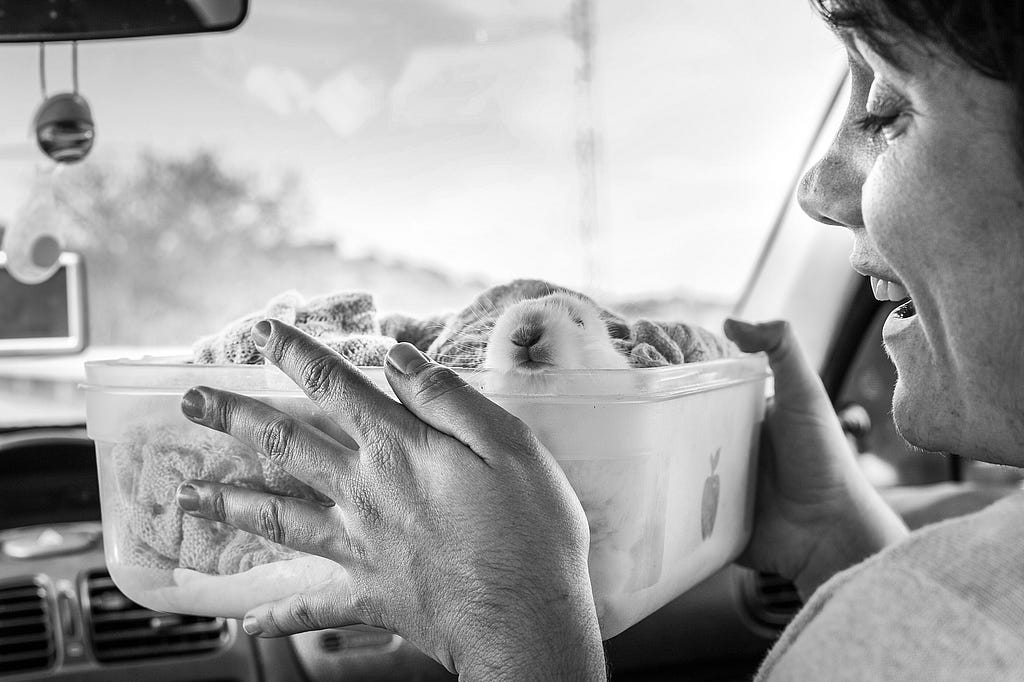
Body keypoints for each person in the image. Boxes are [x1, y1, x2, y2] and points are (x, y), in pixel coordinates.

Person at [171, 0, 1024, 678]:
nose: (820, 186)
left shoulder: (941, 618)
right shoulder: (953, 606)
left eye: (886, 108)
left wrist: (511, 632)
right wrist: (830, 530)